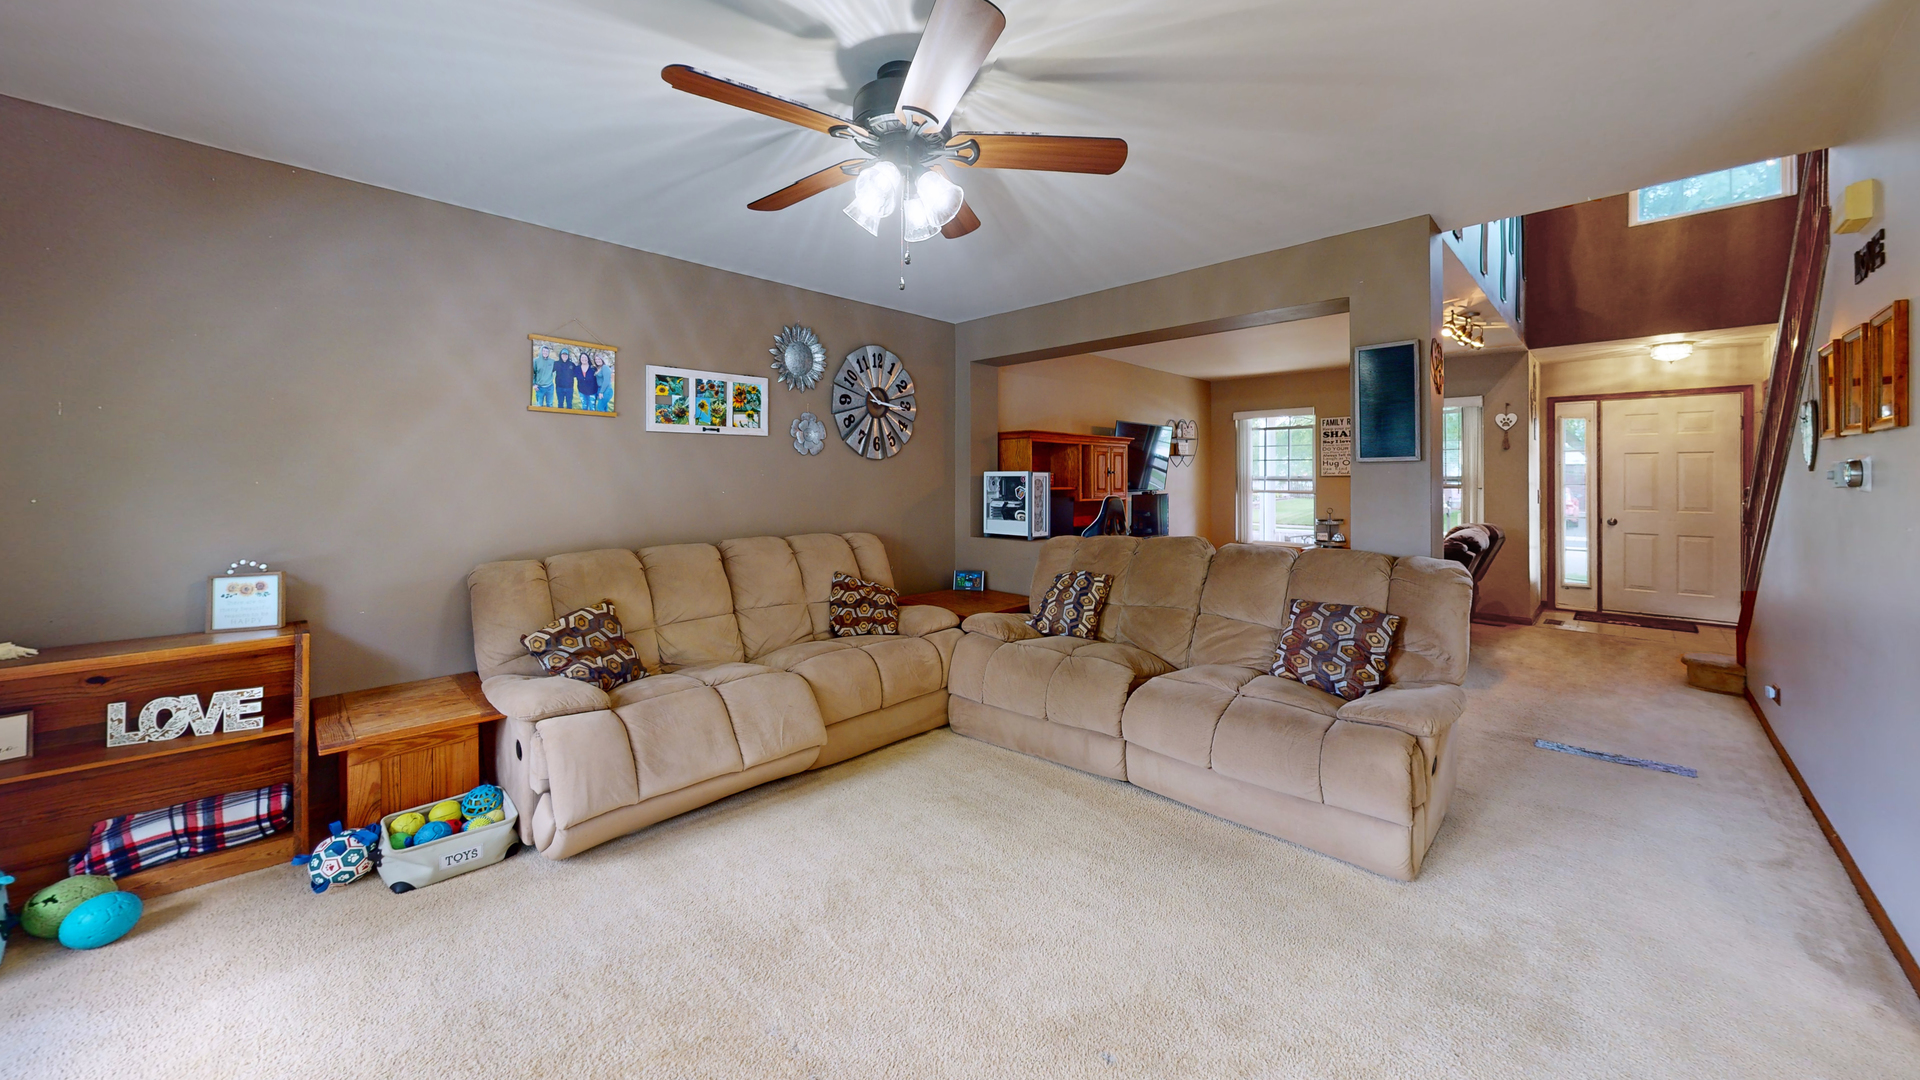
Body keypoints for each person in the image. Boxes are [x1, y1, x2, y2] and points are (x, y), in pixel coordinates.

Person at [532, 343, 556, 408]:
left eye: (547, 351)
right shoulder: (535, 361)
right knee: (539, 405)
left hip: (550, 387)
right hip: (539, 388)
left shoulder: (552, 362)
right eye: (544, 351)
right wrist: (534, 384)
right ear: (541, 351)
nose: (545, 352)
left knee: (550, 405)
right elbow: (532, 373)